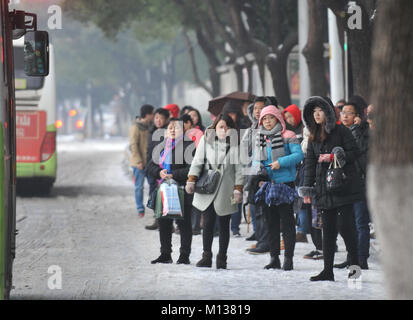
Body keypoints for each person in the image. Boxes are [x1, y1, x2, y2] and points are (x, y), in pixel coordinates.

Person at [298, 96, 363, 281]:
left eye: (320, 110)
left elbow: (354, 152)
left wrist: (335, 156)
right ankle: (328, 271)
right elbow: (309, 163)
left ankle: (355, 271)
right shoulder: (313, 135)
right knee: (327, 231)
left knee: (347, 228)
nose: (317, 114)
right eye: (313, 111)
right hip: (323, 189)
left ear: (327, 112)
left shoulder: (341, 131)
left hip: (343, 186)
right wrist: (308, 189)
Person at [185, 114, 244, 269]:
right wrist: (191, 179)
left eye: (227, 127)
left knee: (224, 225)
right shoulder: (206, 140)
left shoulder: (236, 145)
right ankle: (206, 256)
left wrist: (238, 189)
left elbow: (239, 170)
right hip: (208, 188)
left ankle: (222, 258)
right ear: (215, 127)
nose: (224, 129)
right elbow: (197, 161)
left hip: (227, 190)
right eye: (220, 126)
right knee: (208, 223)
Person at [252, 105, 304, 270]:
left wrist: (279, 163)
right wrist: (258, 173)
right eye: (264, 119)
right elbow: (255, 159)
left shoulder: (288, 135)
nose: (267, 122)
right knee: (271, 223)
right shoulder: (260, 137)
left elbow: (298, 155)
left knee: (287, 223)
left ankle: (288, 259)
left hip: (285, 184)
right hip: (267, 184)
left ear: (278, 118)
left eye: (270, 118)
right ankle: (274, 258)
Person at [147, 118, 194, 264]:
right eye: (170, 128)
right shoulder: (162, 146)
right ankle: (165, 254)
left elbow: (191, 169)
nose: (173, 130)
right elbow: (150, 165)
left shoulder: (189, 146)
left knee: (184, 223)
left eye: (176, 128)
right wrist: (159, 172)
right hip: (163, 189)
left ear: (183, 130)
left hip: (181, 189)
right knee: (163, 222)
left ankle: (184, 255)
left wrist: (174, 175)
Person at [336, 101, 370, 269]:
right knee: (347, 223)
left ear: (357, 116)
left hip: (360, 182)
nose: (345, 115)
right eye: (343, 112)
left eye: (349, 112)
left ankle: (361, 259)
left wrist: (356, 130)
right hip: (344, 183)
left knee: (360, 222)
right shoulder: (337, 132)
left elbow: (359, 151)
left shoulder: (364, 132)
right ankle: (352, 257)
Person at [241, 96, 272, 254]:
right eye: (255, 109)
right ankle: (260, 239)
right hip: (251, 175)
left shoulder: (271, 129)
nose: (258, 112)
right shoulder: (251, 129)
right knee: (254, 210)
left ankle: (265, 242)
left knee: (262, 212)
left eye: (261, 108)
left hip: (264, 176)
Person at [222, 100, 248, 237]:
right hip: (225, 166)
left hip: (240, 164)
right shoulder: (221, 127)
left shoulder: (243, 126)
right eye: (229, 114)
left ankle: (235, 227)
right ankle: (222, 225)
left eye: (234, 114)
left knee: (236, 196)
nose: (232, 117)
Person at [145, 108, 170, 230]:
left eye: (161, 118)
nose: (158, 120)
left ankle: (166, 222)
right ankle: (157, 219)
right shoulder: (152, 132)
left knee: (165, 196)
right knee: (153, 195)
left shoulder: (167, 133)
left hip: (163, 168)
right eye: (156, 118)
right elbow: (149, 152)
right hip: (152, 168)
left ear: (166, 119)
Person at [129, 104, 154, 217]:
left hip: (150, 162)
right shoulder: (135, 127)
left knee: (153, 185)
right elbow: (133, 145)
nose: (154, 116)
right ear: (147, 115)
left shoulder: (151, 127)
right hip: (138, 163)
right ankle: (140, 208)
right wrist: (139, 161)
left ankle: (153, 205)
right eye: (152, 114)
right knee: (139, 187)